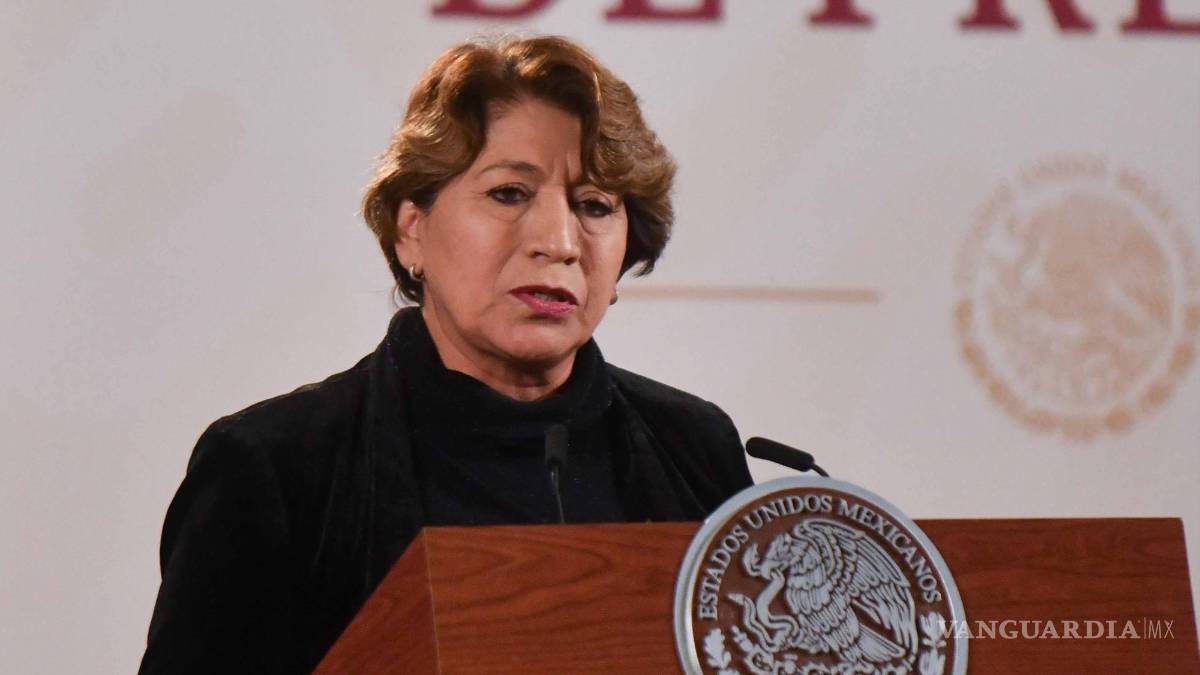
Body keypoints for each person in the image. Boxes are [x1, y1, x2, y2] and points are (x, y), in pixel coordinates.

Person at [138, 34, 753, 674]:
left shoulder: (694, 447)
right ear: (412, 229)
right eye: (509, 193)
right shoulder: (276, 468)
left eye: (594, 206)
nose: (559, 241)